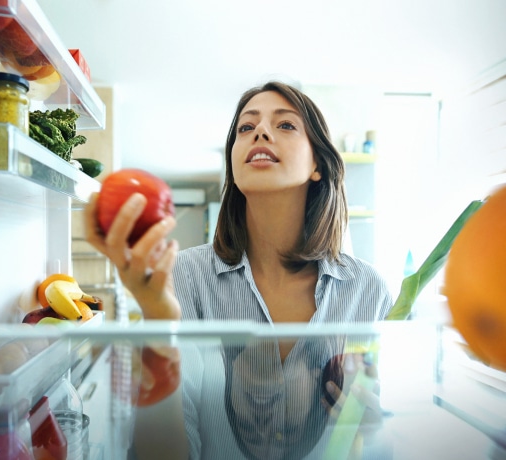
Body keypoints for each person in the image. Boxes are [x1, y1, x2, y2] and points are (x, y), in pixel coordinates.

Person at [84, 81, 393, 459]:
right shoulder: (184, 277)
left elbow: (387, 437)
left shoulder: (368, 290)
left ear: (318, 165)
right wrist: (157, 320)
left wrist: (374, 433)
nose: (260, 131)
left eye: (285, 125)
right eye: (246, 128)